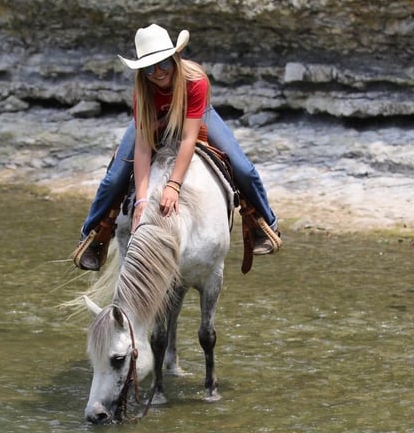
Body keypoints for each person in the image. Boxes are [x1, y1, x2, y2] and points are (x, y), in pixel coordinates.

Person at [73, 23, 281, 271]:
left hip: (194, 115)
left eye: (163, 64)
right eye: (149, 67)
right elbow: (142, 149)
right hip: (154, 121)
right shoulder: (143, 91)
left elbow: (187, 139)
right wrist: (140, 202)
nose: (157, 72)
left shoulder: (195, 81)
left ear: (175, 58)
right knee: (114, 177)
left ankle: (265, 224)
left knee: (243, 168)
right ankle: (92, 237)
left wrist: (173, 185)